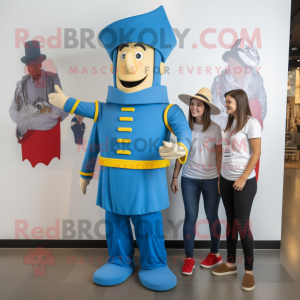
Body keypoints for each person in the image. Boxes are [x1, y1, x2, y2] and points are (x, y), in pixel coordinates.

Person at [48, 6, 191, 291]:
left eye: (138, 55)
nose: (129, 64)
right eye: (123, 56)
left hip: (148, 182)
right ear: (115, 64)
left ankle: (153, 262)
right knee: (114, 222)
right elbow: (95, 141)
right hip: (112, 180)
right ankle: (119, 259)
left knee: (148, 223)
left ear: (158, 66)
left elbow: (185, 132)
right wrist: (86, 173)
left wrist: (181, 149)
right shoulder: (106, 109)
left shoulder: (168, 109)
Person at [211, 89, 261, 292]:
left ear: (239, 102)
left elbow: (256, 152)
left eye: (228, 101)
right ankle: (230, 263)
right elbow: (223, 153)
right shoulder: (229, 124)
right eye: (225, 102)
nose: (226, 104)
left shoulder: (251, 123)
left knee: (242, 225)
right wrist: (220, 177)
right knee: (230, 223)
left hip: (244, 181)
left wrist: (242, 177)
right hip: (226, 179)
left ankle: (249, 271)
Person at [171, 87, 223, 275]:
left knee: (212, 216)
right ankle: (189, 259)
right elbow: (180, 155)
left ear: (206, 108)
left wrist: (219, 179)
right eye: (192, 104)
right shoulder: (184, 127)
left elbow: (219, 157)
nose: (194, 107)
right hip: (189, 179)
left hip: (211, 180)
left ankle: (215, 254)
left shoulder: (216, 129)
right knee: (190, 218)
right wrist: (175, 176)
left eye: (198, 105)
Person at [9, 40, 68, 167]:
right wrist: (24, 119)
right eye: (29, 70)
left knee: (52, 164)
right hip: (29, 137)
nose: (32, 73)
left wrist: (47, 113)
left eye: (35, 68)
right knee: (30, 165)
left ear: (40, 65)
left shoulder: (53, 80)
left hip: (49, 134)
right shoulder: (21, 84)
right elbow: (12, 109)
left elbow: (63, 107)